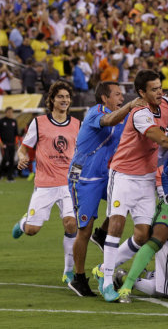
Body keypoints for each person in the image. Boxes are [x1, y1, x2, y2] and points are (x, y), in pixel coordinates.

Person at [96, 69, 168, 302]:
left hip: (146, 178)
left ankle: (102, 267)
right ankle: (106, 283)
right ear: (141, 93)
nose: (159, 92)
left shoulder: (166, 104)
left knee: (143, 235)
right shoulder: (139, 113)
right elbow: (162, 139)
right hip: (123, 175)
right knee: (116, 224)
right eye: (154, 89)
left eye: (160, 87)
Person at [65, 81, 139, 297]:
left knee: (125, 201)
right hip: (84, 177)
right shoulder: (96, 112)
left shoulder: (122, 115)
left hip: (106, 175)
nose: (121, 99)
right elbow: (108, 121)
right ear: (105, 98)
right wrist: (131, 106)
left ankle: (103, 233)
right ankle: (78, 278)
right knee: (84, 229)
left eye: (122, 95)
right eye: (117, 95)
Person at [12, 82, 82, 284]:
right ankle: (24, 223)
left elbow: (82, 152)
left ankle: (68, 271)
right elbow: (23, 148)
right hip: (45, 184)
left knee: (71, 224)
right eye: (60, 97)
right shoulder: (39, 123)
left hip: (69, 184)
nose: (65, 100)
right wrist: (21, 158)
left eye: (67, 97)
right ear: (52, 100)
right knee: (32, 231)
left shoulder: (77, 124)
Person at [0, 107, 19, 180]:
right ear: (6, 112)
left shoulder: (14, 121)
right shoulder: (1, 121)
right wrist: (0, 142)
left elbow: (16, 134)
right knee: (5, 158)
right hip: (4, 144)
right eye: (8, 112)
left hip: (12, 144)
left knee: (11, 160)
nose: (10, 113)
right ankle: (0, 174)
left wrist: (16, 143)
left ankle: (10, 176)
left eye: (11, 112)